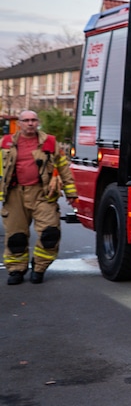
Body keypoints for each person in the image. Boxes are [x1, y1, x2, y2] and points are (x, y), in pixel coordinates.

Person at [2, 110, 77, 285]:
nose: (30, 123)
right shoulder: (6, 143)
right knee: (16, 236)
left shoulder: (50, 142)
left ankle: (39, 267)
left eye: (33, 120)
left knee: (50, 233)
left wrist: (71, 192)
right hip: (14, 194)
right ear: (19, 123)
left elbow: (63, 167)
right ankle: (16, 270)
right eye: (26, 120)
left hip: (44, 193)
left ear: (38, 122)